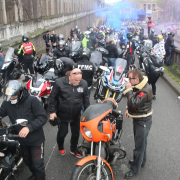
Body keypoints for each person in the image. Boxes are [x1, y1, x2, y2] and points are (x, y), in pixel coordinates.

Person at [0, 80, 47, 180]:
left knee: (37, 163)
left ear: (20, 92)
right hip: (21, 139)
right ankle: (35, 175)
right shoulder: (7, 102)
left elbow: (42, 117)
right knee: (28, 161)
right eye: (9, 96)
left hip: (36, 140)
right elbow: (1, 112)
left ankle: (40, 177)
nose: (11, 99)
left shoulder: (32, 101)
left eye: (13, 96)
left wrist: (29, 127)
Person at [49, 68, 90, 158]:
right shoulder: (59, 82)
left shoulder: (83, 83)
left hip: (76, 114)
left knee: (76, 134)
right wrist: (52, 111)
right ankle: (60, 146)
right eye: (76, 80)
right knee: (62, 133)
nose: (78, 82)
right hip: (62, 114)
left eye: (79, 80)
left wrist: (88, 115)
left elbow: (86, 100)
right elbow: (52, 98)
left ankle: (73, 149)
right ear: (70, 75)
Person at [123, 69, 153, 179]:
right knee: (142, 143)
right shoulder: (139, 85)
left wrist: (128, 90)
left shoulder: (145, 91)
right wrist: (127, 110)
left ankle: (135, 169)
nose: (129, 80)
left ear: (137, 79)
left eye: (130, 78)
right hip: (139, 119)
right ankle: (141, 161)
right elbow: (132, 103)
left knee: (139, 147)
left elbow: (134, 102)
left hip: (142, 121)